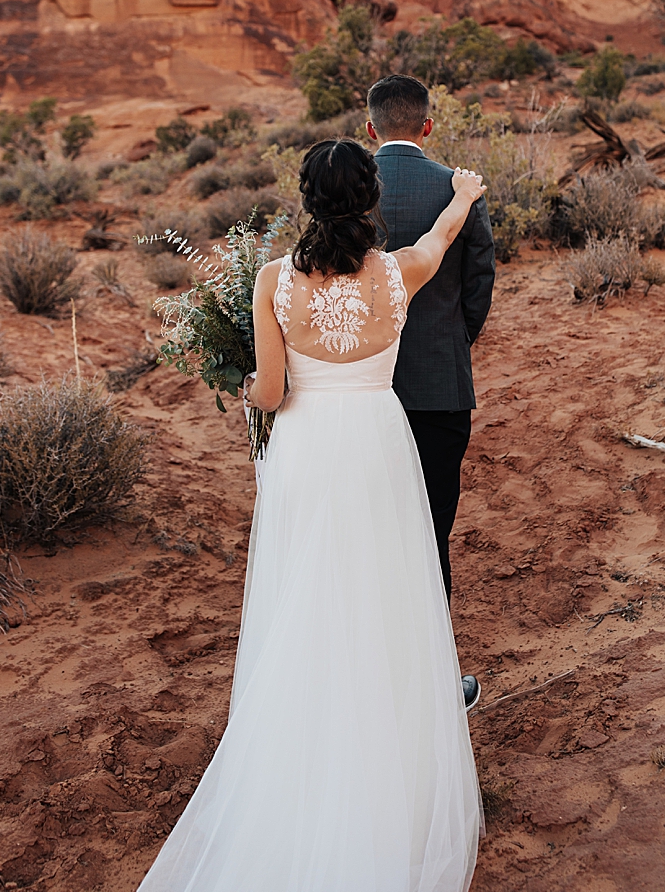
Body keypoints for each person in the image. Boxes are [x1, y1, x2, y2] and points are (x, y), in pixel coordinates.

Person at [138, 140, 484, 892]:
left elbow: (269, 391)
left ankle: (307, 747)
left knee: (305, 590)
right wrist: (461, 193)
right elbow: (440, 237)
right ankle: (388, 766)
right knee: (383, 589)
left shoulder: (272, 282)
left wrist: (235, 388)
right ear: (370, 200)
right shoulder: (399, 273)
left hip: (307, 446)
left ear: (306, 200)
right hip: (377, 439)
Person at [366, 74, 495, 702]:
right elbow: (479, 283)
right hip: (441, 388)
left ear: (370, 129)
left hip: (363, 392)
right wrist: (452, 343)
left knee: (369, 531)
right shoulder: (457, 189)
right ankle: (431, 678)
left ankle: (374, 670)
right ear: (427, 126)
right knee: (430, 530)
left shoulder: (347, 187)